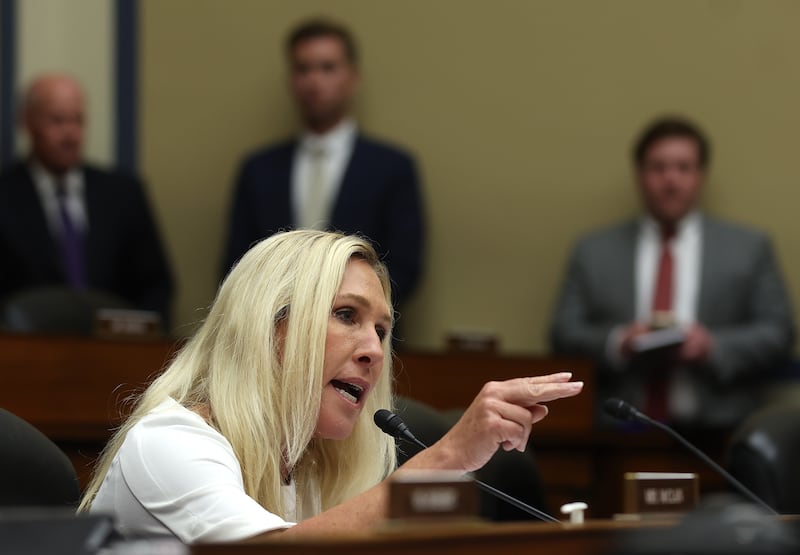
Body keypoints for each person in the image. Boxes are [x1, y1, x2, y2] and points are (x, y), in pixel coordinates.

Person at [79, 230, 582, 543]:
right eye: (346, 315)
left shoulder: (311, 470)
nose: (375, 351)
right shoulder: (170, 442)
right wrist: (445, 459)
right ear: (269, 325)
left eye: (382, 330)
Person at [550, 116, 794, 428]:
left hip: (720, 431)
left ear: (701, 175)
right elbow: (563, 333)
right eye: (658, 167)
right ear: (639, 174)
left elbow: (778, 332)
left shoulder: (749, 248)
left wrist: (711, 346)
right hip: (615, 431)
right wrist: (618, 342)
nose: (671, 180)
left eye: (683, 167)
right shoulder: (593, 251)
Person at [221, 18, 425, 308]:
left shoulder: (392, 168)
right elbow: (238, 265)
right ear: (291, 79)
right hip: (271, 331)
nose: (314, 81)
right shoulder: (258, 170)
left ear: (352, 77)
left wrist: (340, 310)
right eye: (303, 69)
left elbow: (403, 268)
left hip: (360, 332)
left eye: (328, 67)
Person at [0, 74, 174, 325]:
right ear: (28, 122)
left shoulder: (124, 193)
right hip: (26, 351)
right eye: (57, 121)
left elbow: (156, 285)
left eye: (77, 121)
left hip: (114, 349)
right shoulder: (6, 195)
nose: (70, 134)